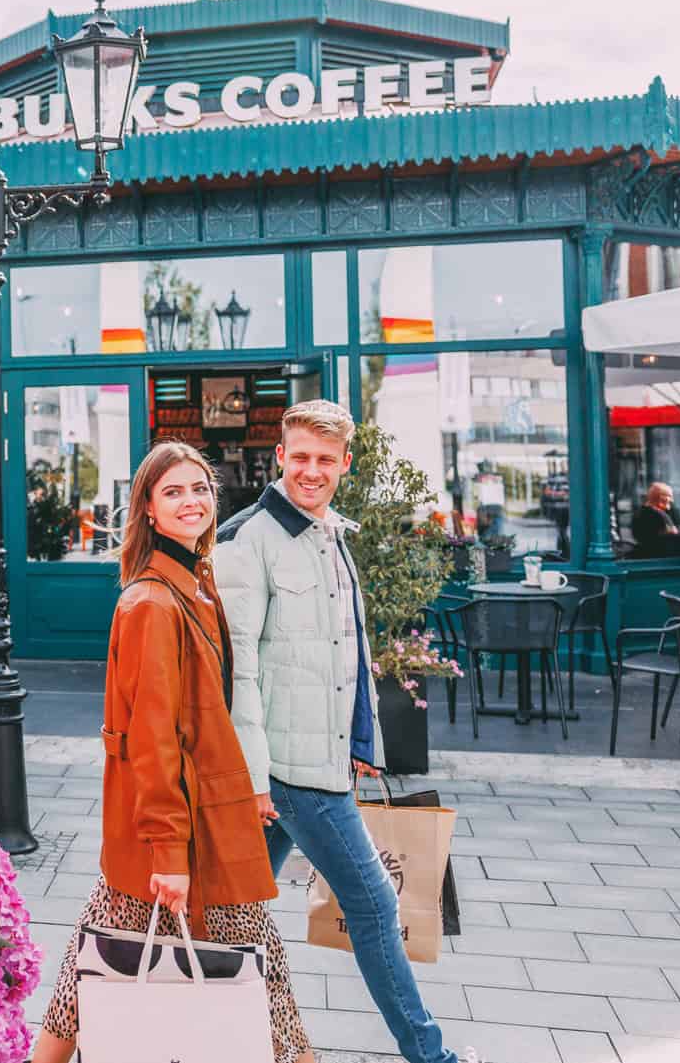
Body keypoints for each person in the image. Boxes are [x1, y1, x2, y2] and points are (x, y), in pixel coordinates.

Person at [34, 441, 313, 1063]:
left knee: (92, 965)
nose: (192, 501)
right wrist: (168, 852)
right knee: (258, 980)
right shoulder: (153, 603)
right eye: (173, 492)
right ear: (149, 513)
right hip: (182, 833)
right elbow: (152, 740)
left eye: (200, 489)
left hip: (204, 818)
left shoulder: (194, 585)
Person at [216, 400, 463, 1063]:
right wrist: (255, 777)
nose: (311, 470)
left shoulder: (332, 533)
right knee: (376, 907)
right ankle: (430, 1055)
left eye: (326, 460)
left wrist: (362, 745)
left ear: (345, 464)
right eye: (300, 457)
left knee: (230, 915)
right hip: (289, 774)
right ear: (280, 458)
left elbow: (349, 653)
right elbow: (236, 671)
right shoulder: (247, 540)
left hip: (320, 762)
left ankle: (199, 1030)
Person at [631, 481, 680, 556]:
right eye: (668, 496)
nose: (671, 500)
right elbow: (673, 532)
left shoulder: (672, 511)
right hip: (654, 554)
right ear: (658, 497)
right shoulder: (645, 513)